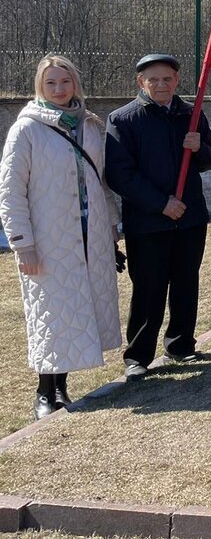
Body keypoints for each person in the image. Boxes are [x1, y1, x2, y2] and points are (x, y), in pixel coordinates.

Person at [0, 56, 122, 419]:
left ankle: (62, 387)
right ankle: (44, 391)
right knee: (50, 310)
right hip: (49, 236)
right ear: (40, 85)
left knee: (76, 308)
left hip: (89, 231)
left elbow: (101, 181)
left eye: (64, 82)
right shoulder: (26, 130)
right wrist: (23, 242)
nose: (58, 89)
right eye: (51, 83)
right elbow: (10, 191)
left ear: (75, 84)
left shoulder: (89, 125)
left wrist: (111, 228)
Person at [105, 54, 211, 381]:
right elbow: (120, 175)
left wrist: (200, 148)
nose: (161, 85)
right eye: (153, 79)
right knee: (148, 287)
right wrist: (160, 203)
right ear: (140, 82)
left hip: (190, 217)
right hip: (148, 221)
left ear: (177, 79)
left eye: (167, 78)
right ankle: (138, 355)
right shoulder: (123, 120)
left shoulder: (191, 115)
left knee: (186, 281)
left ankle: (181, 343)